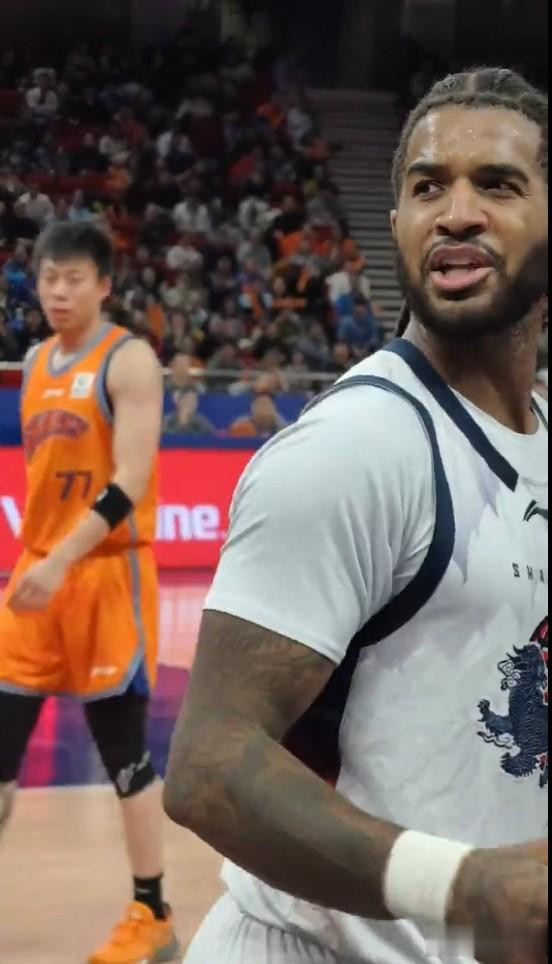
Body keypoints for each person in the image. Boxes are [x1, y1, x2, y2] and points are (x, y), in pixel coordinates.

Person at [164, 67, 548, 964]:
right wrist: (460, 886)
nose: (455, 213)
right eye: (428, 187)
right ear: (399, 223)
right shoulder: (356, 447)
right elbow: (209, 762)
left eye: (496, 184)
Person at [0, 223, 181, 964]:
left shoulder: (128, 360)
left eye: (73, 278)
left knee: (123, 751)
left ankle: (153, 913)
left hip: (106, 573)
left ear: (104, 284)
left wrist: (61, 560)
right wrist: (41, 563)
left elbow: (131, 477)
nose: (58, 291)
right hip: (39, 571)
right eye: (48, 277)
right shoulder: (35, 361)